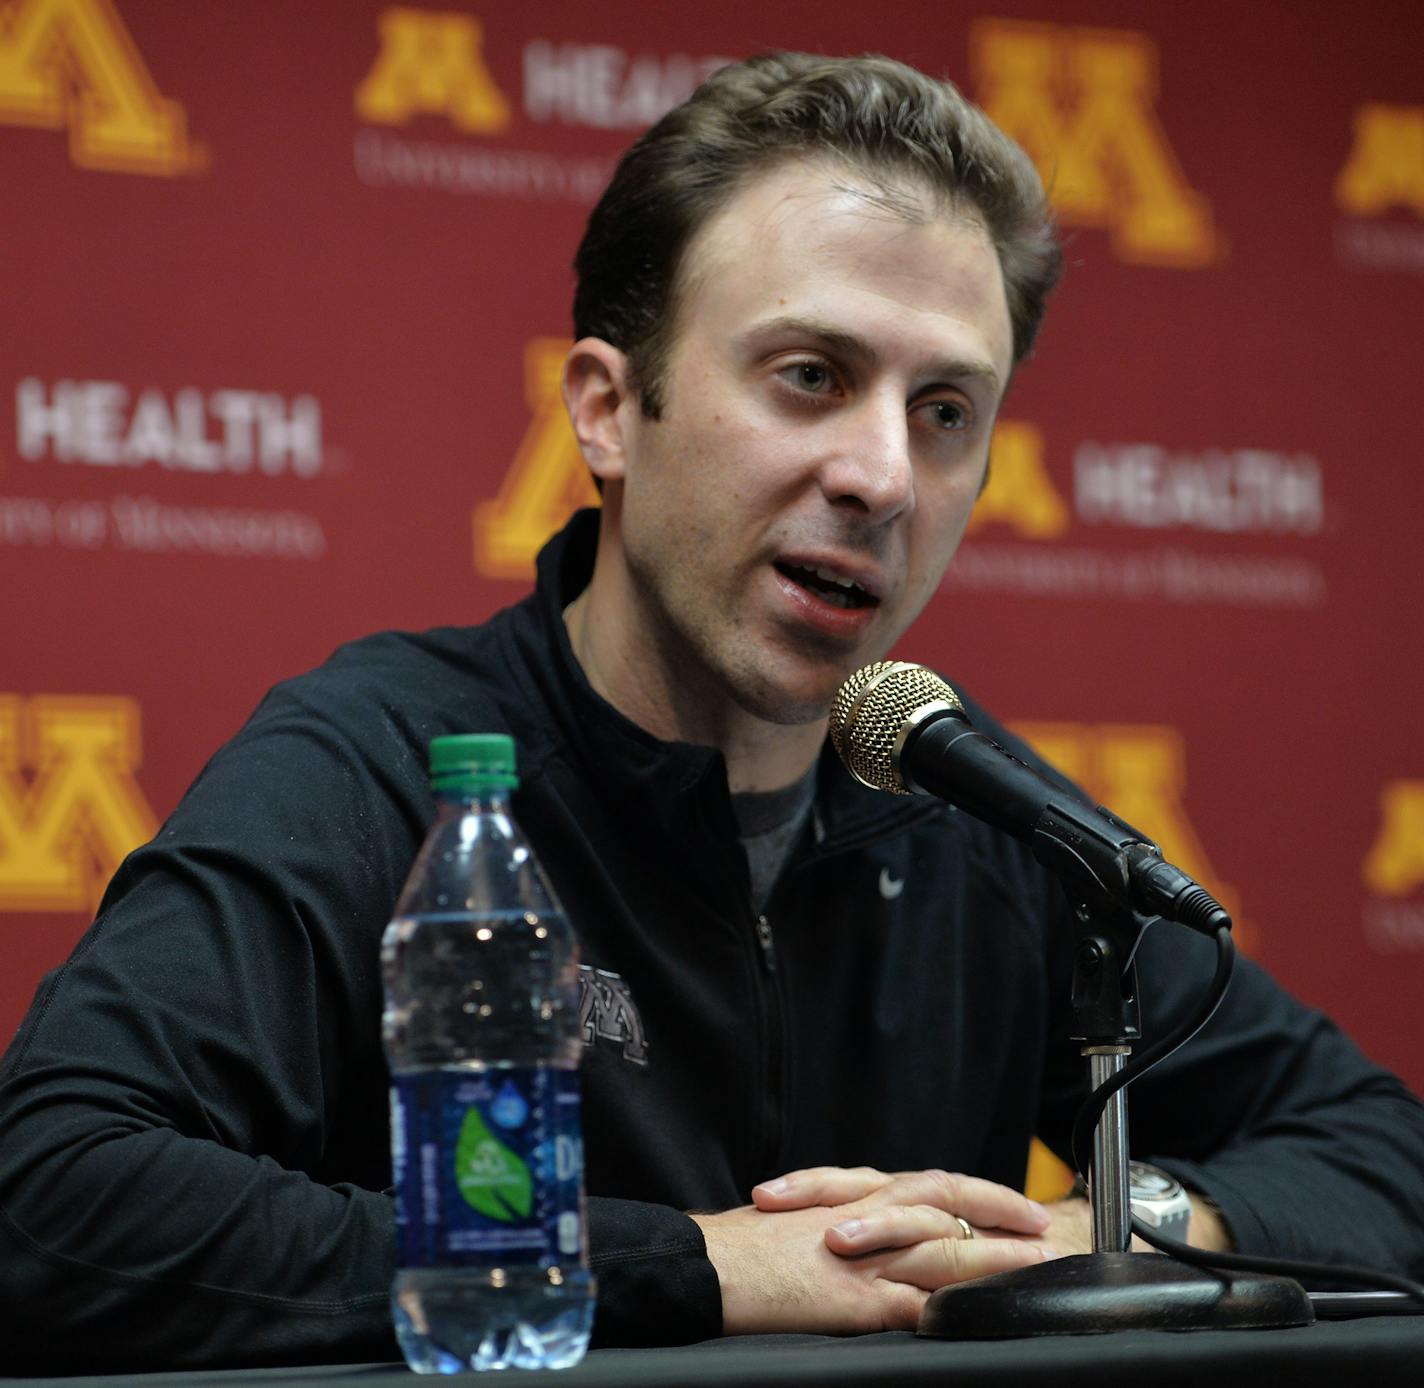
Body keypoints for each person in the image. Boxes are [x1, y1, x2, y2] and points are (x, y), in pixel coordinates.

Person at [1, 52, 1421, 1373]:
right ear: (610, 413)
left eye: (945, 411)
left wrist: (1095, 1230)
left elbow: (1383, 1151)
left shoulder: (972, 812)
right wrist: (698, 1264)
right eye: (811, 376)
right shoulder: (381, 764)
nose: (881, 475)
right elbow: (50, 1193)